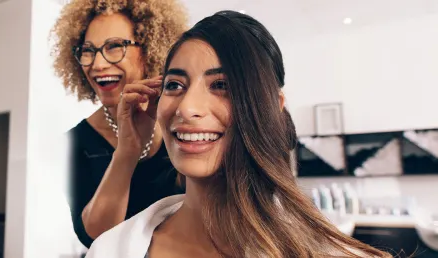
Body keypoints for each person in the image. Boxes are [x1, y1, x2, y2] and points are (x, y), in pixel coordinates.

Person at [84, 11, 392, 257]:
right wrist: (128, 148)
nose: (187, 107)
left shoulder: (332, 253)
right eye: (175, 85)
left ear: (273, 106)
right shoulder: (111, 250)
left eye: (222, 86)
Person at [51, 0, 189, 247]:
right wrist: (127, 150)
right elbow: (95, 235)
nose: (98, 64)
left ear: (150, 48)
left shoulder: (184, 125)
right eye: (87, 50)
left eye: (115, 46)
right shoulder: (75, 142)